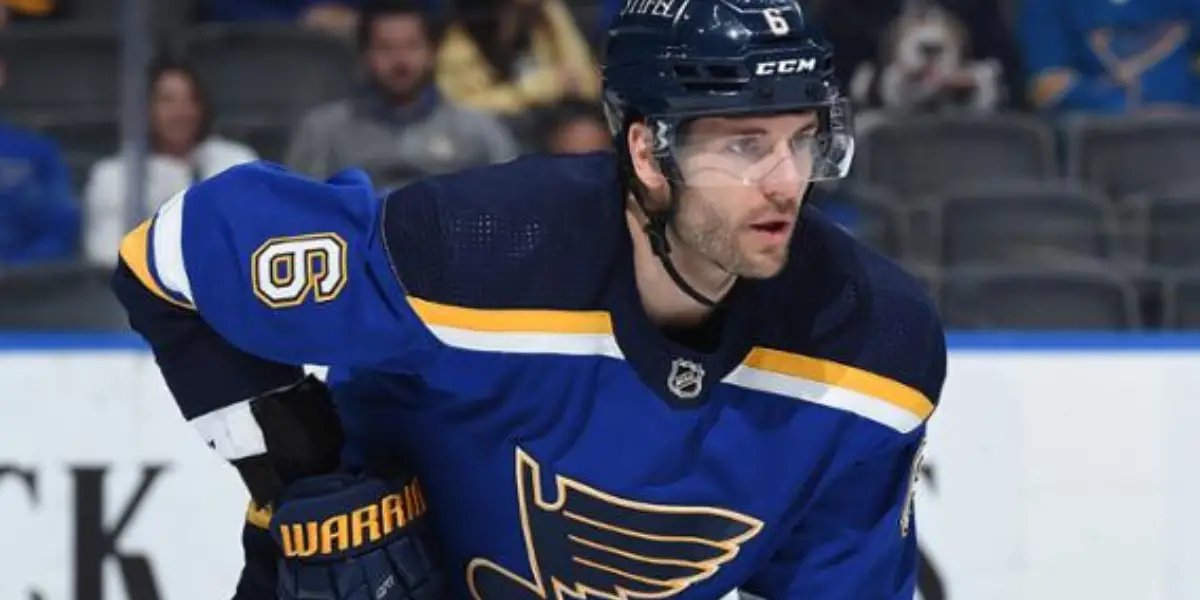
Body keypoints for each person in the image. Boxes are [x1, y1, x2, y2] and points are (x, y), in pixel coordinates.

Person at [112, 1, 946, 599]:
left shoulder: (873, 346)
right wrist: (297, 469)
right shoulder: (471, 252)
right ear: (648, 155)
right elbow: (170, 253)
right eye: (744, 145)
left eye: (803, 140)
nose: (787, 182)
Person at [285, 0, 517, 191]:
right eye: (385, 48)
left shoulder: (478, 129)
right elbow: (298, 208)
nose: (400, 61)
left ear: (432, 52)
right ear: (364, 55)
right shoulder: (323, 131)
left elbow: (511, 200)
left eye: (412, 46)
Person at [83, 56, 257, 266]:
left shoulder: (238, 162)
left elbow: (256, 242)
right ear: (144, 109)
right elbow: (105, 254)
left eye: (190, 99)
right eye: (167, 101)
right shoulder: (113, 175)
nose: (181, 111)